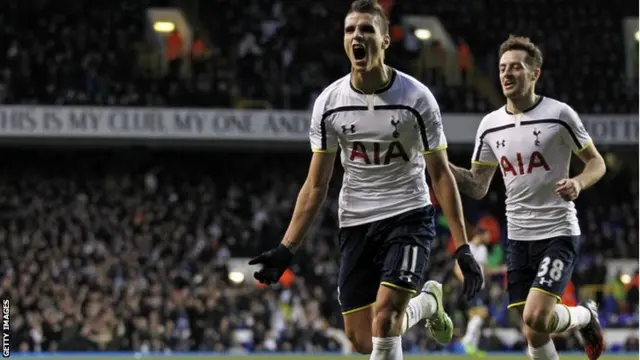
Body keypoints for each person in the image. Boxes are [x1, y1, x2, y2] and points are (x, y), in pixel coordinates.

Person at [248, 1, 484, 359]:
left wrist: (462, 246)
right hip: (356, 222)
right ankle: (428, 303)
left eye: (367, 29)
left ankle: (415, 306)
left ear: (386, 40)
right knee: (362, 339)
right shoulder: (330, 103)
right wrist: (286, 248)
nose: (357, 36)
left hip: (408, 215)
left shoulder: (417, 100)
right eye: (349, 30)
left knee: (386, 318)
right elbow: (316, 185)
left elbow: (439, 173)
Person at [448, 35, 607, 360]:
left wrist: (578, 182)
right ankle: (584, 316)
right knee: (534, 330)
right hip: (518, 239)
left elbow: (597, 162)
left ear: (535, 73)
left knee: (535, 317)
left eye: (516, 68)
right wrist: (441, 166)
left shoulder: (559, 114)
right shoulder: (490, 125)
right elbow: (479, 185)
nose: (506, 74)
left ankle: (586, 316)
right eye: (502, 67)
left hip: (557, 232)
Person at [453, 227, 492, 355]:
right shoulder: (466, 248)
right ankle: (465, 342)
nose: (489, 238)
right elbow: (457, 269)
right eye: (487, 234)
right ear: (480, 234)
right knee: (479, 314)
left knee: (478, 317)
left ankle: (472, 348)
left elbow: (484, 270)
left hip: (482, 288)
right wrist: (467, 281)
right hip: (471, 287)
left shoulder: (483, 249)